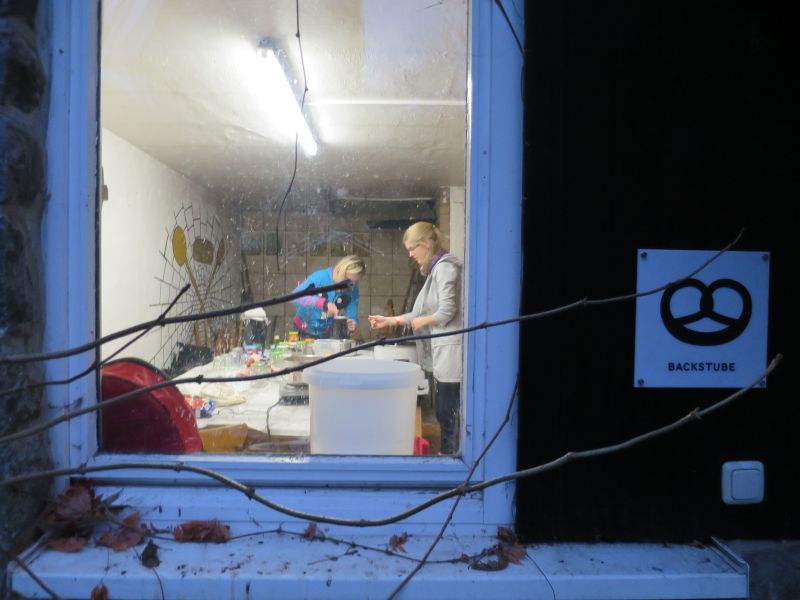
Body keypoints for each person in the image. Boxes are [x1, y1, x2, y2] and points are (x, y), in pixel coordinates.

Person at [368, 222, 462, 455]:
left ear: (427, 244)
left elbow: (447, 311)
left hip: (452, 352)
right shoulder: (434, 270)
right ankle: (447, 454)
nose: (410, 254)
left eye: (412, 248)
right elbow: (417, 313)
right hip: (442, 352)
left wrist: (423, 321)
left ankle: (450, 459)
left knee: (449, 412)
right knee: (444, 412)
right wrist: (389, 321)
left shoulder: (445, 268)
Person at [291, 255, 365, 338]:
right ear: (341, 271)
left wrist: (352, 323)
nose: (350, 286)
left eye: (355, 282)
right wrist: (323, 304)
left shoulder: (353, 290)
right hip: (302, 329)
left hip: (327, 334)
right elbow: (295, 297)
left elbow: (352, 316)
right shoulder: (320, 277)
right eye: (347, 280)